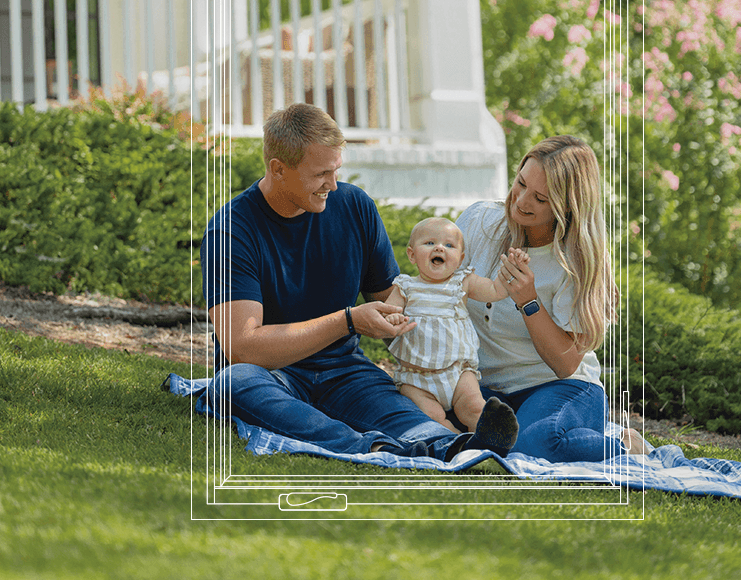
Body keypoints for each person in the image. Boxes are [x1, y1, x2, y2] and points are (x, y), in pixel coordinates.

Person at [199, 103, 518, 462]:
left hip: (346, 372)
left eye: (336, 170)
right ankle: (369, 447)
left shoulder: (354, 207)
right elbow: (242, 348)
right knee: (234, 382)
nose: (332, 185)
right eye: (321, 174)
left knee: (407, 415)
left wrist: (436, 302)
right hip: (273, 376)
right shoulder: (231, 232)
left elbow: (390, 302)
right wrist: (347, 320)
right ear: (278, 169)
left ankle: (454, 446)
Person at [455, 135, 651, 462]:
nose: (521, 201)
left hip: (560, 389)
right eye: (520, 183)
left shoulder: (578, 262)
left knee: (532, 447)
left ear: (567, 206)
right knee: (437, 422)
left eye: (541, 199)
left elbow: (566, 364)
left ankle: (626, 445)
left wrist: (528, 301)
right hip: (484, 389)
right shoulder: (479, 221)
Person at [383, 216, 523, 443]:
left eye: (449, 245)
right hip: (416, 378)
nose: (439, 247)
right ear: (411, 254)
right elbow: (387, 315)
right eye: (429, 243)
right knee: (431, 418)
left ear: (460, 259)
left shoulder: (462, 282)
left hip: (457, 373)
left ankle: (491, 437)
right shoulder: (405, 286)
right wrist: (394, 318)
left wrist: (512, 271)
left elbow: (496, 291)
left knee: (474, 407)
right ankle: (457, 442)